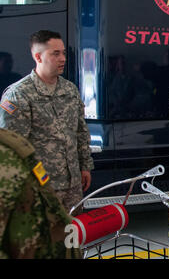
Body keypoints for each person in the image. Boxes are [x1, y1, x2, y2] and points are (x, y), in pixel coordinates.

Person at [0, 30, 94, 214]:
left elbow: (80, 132)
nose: (63, 59)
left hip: (73, 185)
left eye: (64, 53)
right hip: (41, 187)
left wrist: (85, 166)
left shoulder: (69, 89)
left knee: (72, 237)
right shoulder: (19, 95)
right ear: (38, 57)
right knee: (45, 240)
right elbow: (12, 148)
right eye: (55, 53)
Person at [0, 128, 80, 258]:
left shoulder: (12, 152)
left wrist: (86, 165)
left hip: (67, 178)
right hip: (50, 178)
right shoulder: (12, 155)